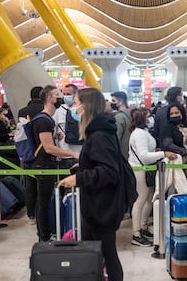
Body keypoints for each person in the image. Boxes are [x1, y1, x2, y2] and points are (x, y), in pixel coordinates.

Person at [57, 88, 127, 281]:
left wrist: (79, 178)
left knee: (106, 255)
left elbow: (109, 172)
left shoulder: (99, 135)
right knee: (98, 255)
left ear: (86, 106)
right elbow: (105, 163)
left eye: (77, 103)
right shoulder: (100, 131)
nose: (74, 107)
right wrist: (86, 165)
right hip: (99, 205)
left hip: (101, 207)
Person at [32, 85, 79, 242]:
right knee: (43, 202)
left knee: (44, 200)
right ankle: (44, 237)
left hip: (48, 164)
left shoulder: (47, 120)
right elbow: (48, 148)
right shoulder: (44, 120)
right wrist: (71, 153)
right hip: (43, 166)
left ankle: (45, 233)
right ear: (49, 98)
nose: (60, 98)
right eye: (57, 95)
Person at [128, 108, 176, 247]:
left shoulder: (144, 132)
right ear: (142, 118)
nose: (151, 118)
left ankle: (143, 227)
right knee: (140, 201)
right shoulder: (139, 134)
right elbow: (144, 156)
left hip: (144, 169)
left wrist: (156, 151)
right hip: (139, 170)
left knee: (149, 199)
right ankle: (136, 234)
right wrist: (163, 154)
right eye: (149, 116)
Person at [18, 86, 44, 224]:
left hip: (28, 151)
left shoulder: (23, 111)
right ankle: (43, 213)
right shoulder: (46, 110)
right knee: (44, 184)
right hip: (44, 150)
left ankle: (31, 214)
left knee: (30, 184)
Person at [53, 84, 82, 169]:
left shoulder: (84, 110)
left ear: (76, 94)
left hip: (81, 154)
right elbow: (53, 131)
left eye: (68, 94)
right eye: (64, 94)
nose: (65, 97)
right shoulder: (58, 111)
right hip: (65, 154)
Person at [111, 91, 131, 159]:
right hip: (131, 153)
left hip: (122, 154)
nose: (112, 103)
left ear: (121, 101)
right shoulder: (133, 115)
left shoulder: (119, 117)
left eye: (114, 100)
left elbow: (116, 138)